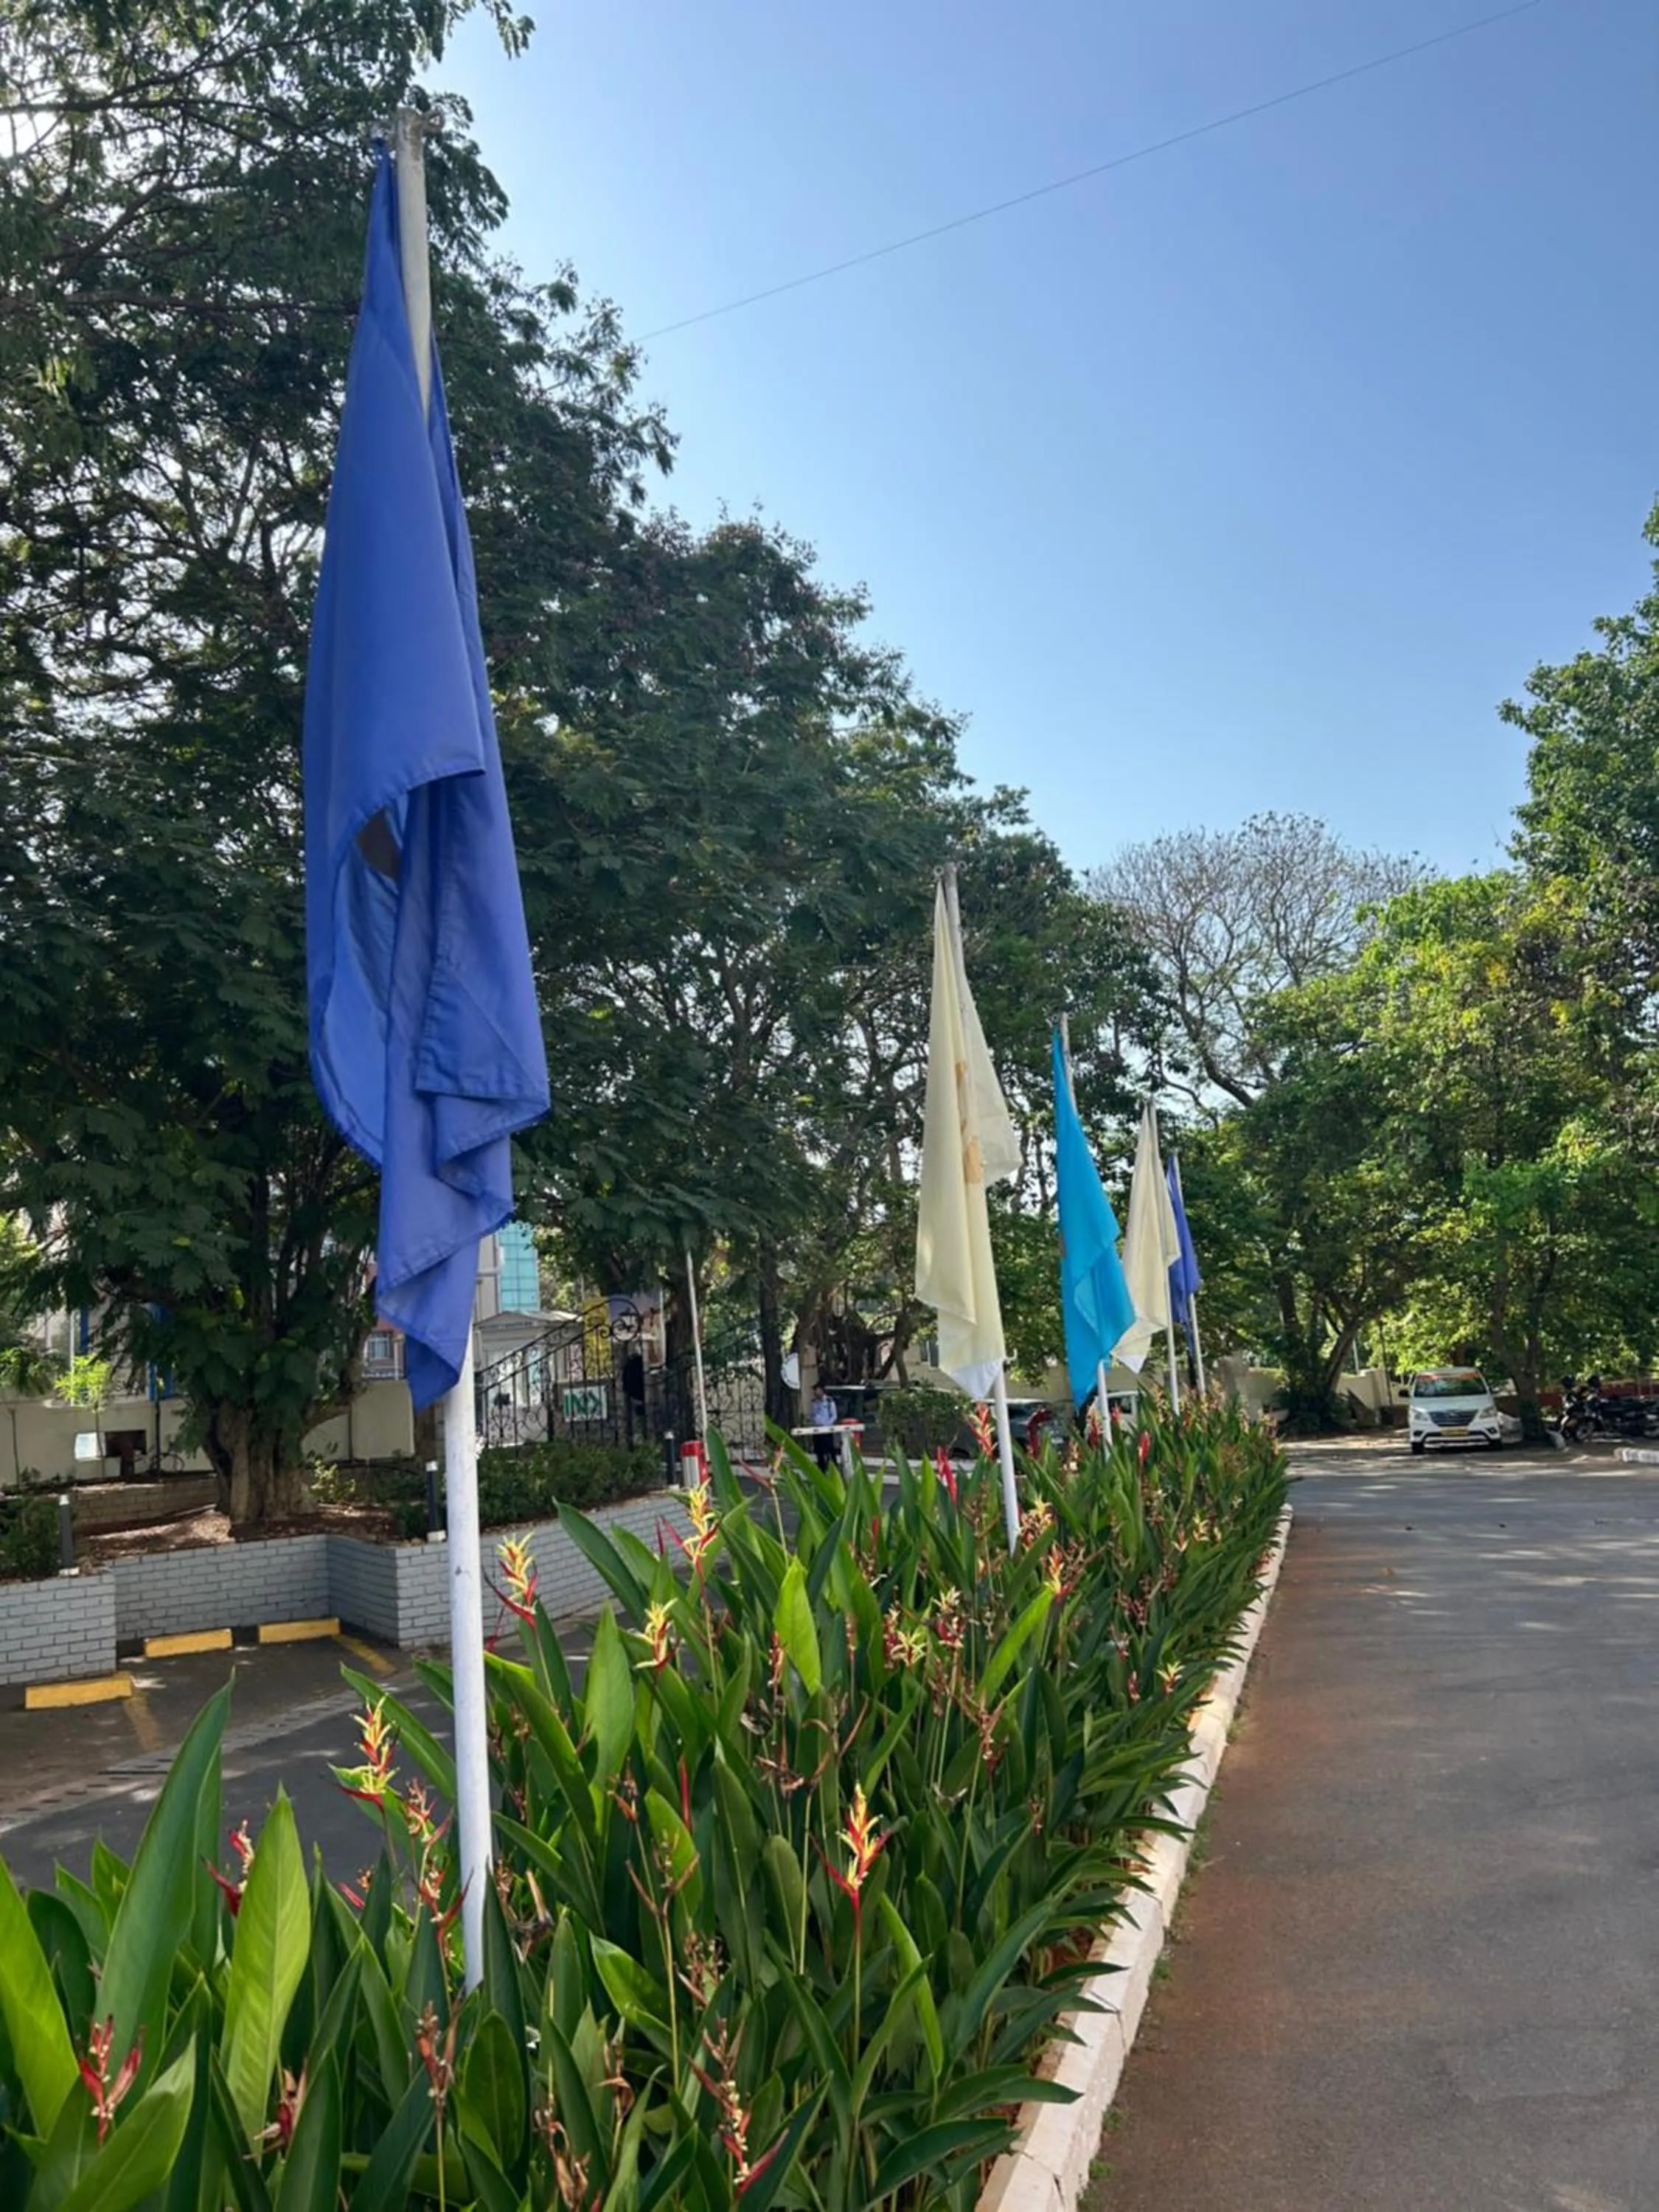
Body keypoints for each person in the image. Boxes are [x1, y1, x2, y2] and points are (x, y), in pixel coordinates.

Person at [809, 1385, 838, 1470]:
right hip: (817, 1430)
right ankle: (822, 1468)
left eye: (817, 1390)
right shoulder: (814, 1402)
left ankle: (834, 1467)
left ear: (822, 1391)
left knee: (830, 1450)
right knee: (819, 1451)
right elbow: (812, 1415)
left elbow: (834, 1416)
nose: (815, 1393)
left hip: (827, 1430)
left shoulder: (829, 1401)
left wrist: (827, 1425)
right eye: (814, 1391)